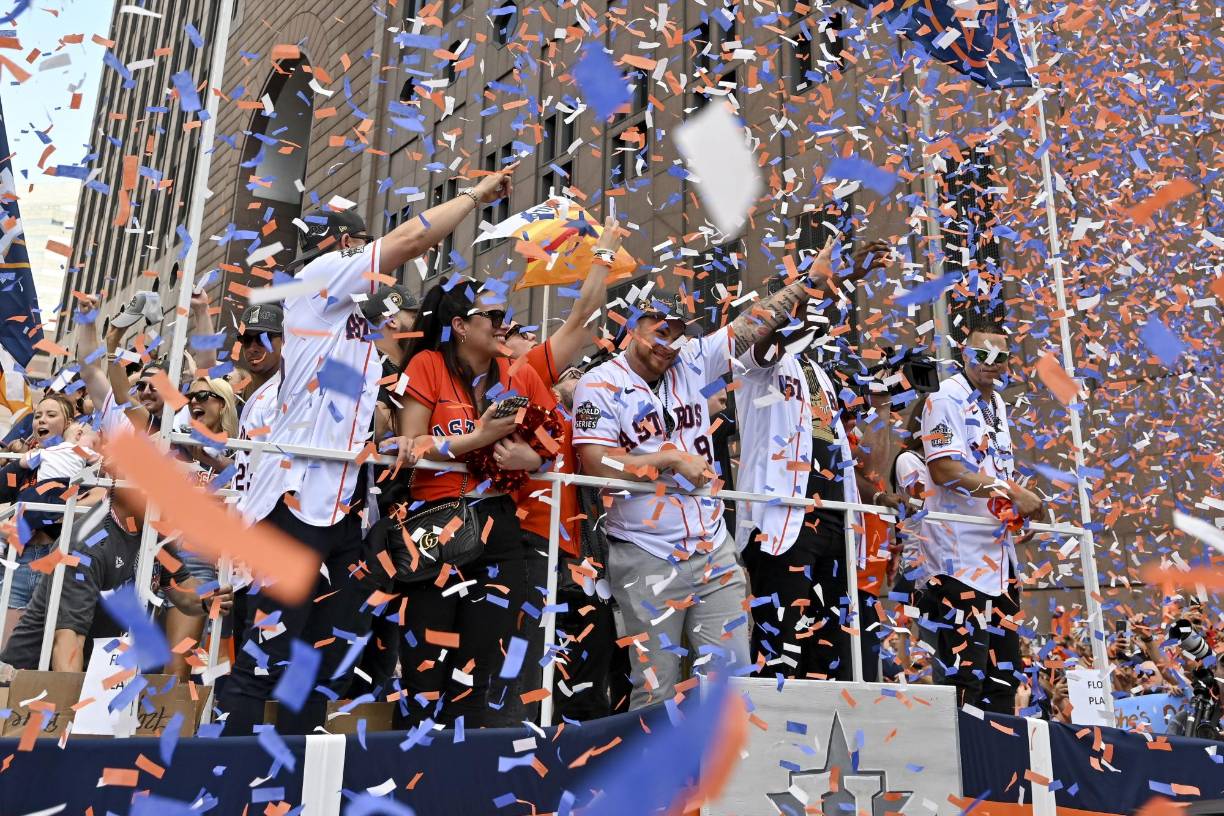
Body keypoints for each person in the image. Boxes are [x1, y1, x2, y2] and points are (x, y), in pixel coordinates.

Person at [218, 165, 515, 736]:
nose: (369, 258)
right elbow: (410, 240)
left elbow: (336, 405)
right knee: (266, 658)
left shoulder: (348, 322)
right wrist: (476, 195)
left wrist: (389, 437)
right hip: (294, 504)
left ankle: (293, 783)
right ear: (345, 246)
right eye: (360, 245)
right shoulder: (320, 280)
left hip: (341, 510)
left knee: (320, 660)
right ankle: (227, 780)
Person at [572, 245, 846, 709]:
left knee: (732, 684)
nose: (669, 343)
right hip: (646, 553)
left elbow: (750, 326)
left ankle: (724, 781)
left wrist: (808, 283)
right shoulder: (598, 383)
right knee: (655, 688)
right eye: (660, 330)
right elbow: (596, 462)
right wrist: (666, 460)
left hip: (711, 547)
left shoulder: (694, 360)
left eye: (678, 334)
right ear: (632, 326)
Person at [394, 278, 557, 727]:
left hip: (499, 525)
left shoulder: (515, 373)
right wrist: (479, 438)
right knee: (427, 670)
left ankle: (457, 784)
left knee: (478, 672)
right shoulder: (428, 364)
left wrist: (534, 454)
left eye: (506, 318)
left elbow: (554, 435)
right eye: (496, 318)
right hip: (435, 525)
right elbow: (409, 444)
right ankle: (408, 781)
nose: (505, 327)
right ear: (461, 326)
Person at [733, 240, 894, 681]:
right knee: (781, 645)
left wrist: (848, 280)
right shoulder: (754, 361)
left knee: (832, 650)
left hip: (833, 524)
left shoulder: (818, 374)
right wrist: (823, 281)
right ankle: (767, 742)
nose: (807, 307)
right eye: (799, 298)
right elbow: (769, 331)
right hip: (783, 523)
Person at [502, 214, 622, 718]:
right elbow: (498, 457)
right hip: (527, 550)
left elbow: (584, 318)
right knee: (532, 682)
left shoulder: (543, 383)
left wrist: (605, 256)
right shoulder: (512, 377)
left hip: (573, 554)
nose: (527, 336)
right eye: (514, 331)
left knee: (586, 678)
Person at [917, 317, 1045, 713]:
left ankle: (1002, 770)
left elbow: (992, 471)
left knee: (1004, 679)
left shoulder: (997, 403)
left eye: (1000, 356)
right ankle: (965, 770)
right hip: (958, 564)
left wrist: (1017, 512)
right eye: (981, 354)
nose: (991, 362)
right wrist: (1011, 492)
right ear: (963, 354)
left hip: (1000, 562)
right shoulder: (944, 398)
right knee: (964, 678)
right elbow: (944, 468)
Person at [0, 503, 233, 672]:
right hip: (37, 676)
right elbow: (68, 642)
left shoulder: (153, 534)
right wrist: (72, 716)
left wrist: (207, 599)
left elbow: (183, 589)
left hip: (101, 671)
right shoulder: (87, 545)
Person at [0, 394, 94, 641]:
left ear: (68, 423)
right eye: (37, 416)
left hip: (58, 558)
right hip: (19, 560)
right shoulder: (26, 464)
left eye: (51, 415)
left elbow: (99, 497)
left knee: (47, 645)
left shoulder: (81, 461)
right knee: (8, 651)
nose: (41, 420)